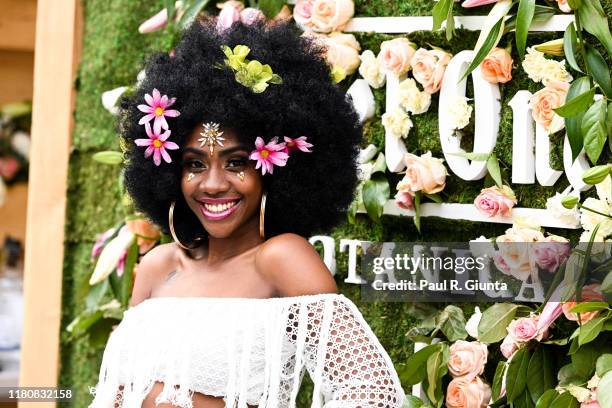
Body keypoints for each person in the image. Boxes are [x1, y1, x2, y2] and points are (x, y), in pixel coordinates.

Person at [89, 17, 405, 408]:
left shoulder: (280, 258)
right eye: (194, 164)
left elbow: (371, 391)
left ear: (273, 171)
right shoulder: (159, 264)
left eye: (236, 162)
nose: (213, 184)